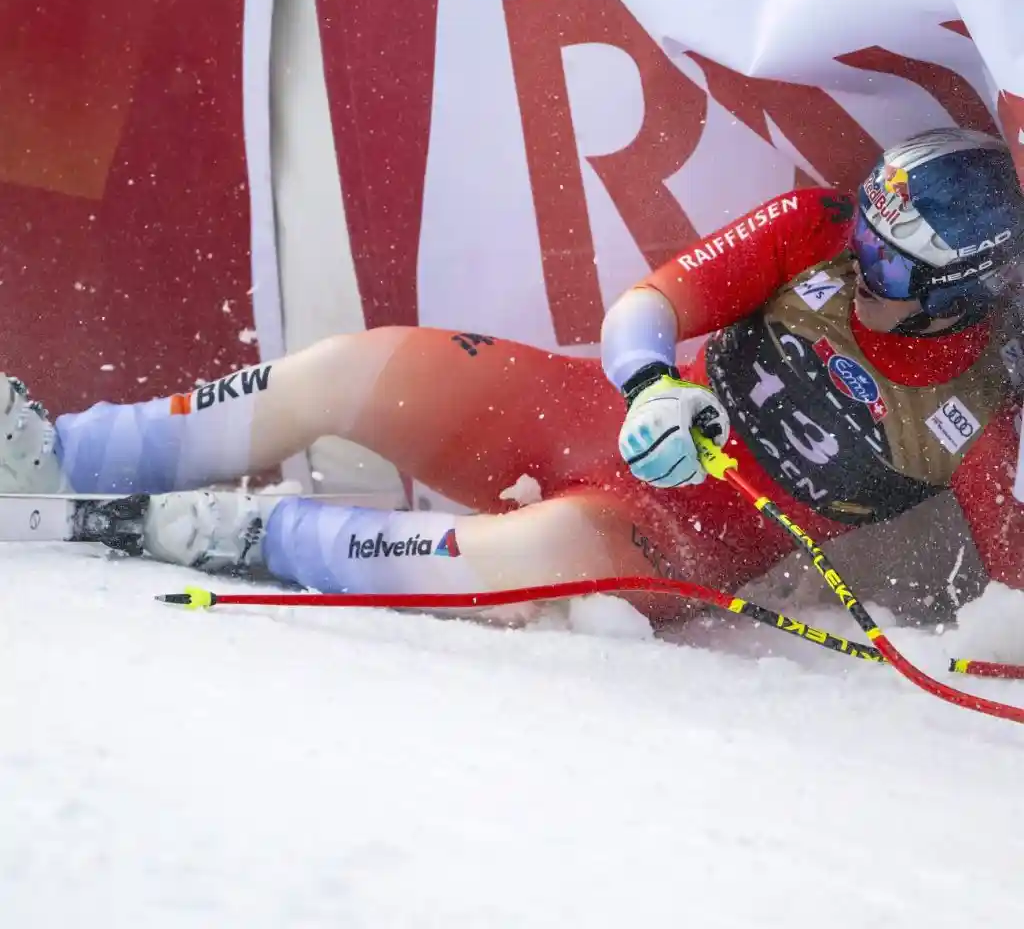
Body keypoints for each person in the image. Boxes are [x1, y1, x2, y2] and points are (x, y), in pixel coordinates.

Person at [3, 126, 1024, 623]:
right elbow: (651, 304)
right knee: (354, 368)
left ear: (958, 291)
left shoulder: (976, 408)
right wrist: (648, 383)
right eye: (864, 226)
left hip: (676, 543)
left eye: (891, 263)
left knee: (515, 561)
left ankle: (251, 536)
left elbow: (1014, 593)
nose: (860, 261)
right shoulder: (816, 229)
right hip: (604, 418)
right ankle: (72, 453)